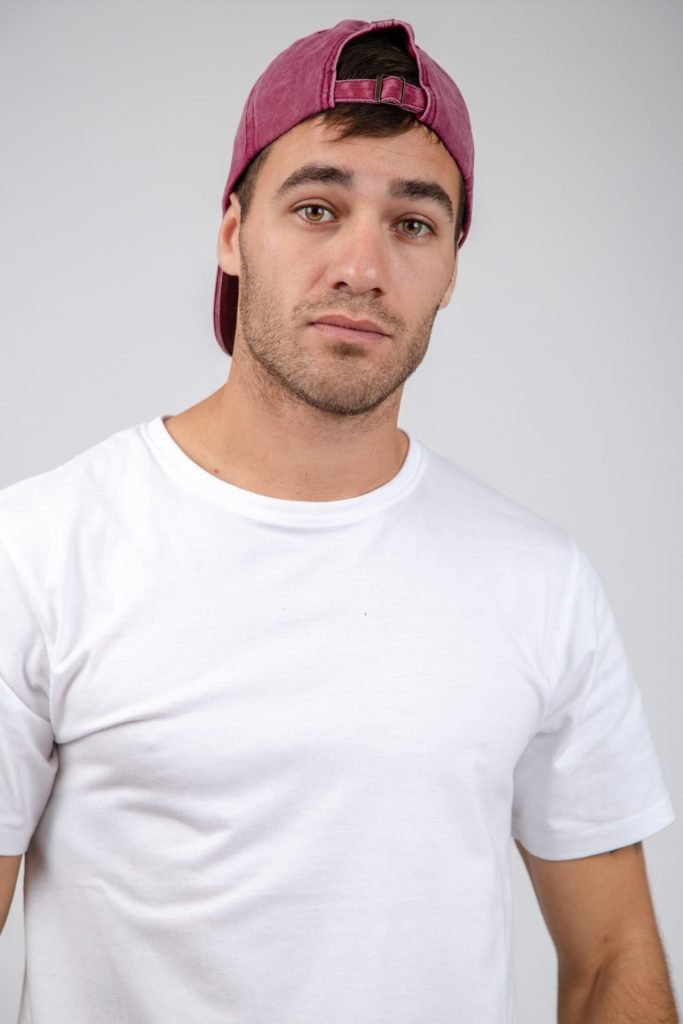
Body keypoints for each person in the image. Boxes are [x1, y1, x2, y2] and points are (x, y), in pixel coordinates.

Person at [0, 17, 678, 1024]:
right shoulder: (38, 551)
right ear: (231, 234)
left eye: (413, 224)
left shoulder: (539, 582)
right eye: (316, 207)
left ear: (451, 267)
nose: (362, 267)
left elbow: (613, 956)